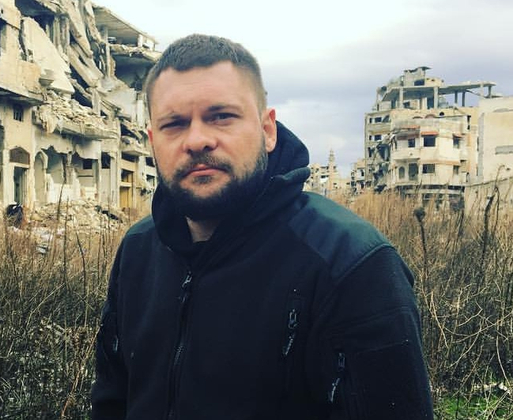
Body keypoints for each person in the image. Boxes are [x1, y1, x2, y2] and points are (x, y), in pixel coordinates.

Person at [91, 34, 433, 420]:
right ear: (153, 141)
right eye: (174, 124)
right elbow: (111, 401)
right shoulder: (138, 249)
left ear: (268, 130)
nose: (198, 140)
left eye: (221, 116)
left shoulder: (351, 264)